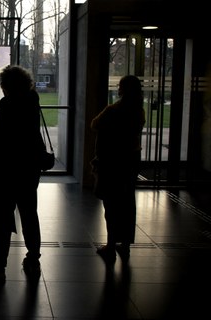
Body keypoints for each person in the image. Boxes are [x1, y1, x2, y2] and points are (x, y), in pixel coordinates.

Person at [0, 65, 44, 284]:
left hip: (5, 173)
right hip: (29, 170)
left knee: (3, 220)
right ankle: (33, 259)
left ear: (7, 86)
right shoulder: (33, 101)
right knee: (29, 215)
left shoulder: (6, 105)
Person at [90, 75, 146, 263]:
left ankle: (111, 244)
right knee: (127, 203)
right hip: (130, 160)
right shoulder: (139, 111)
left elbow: (94, 124)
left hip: (111, 162)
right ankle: (125, 244)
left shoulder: (114, 110)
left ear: (123, 89)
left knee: (111, 205)